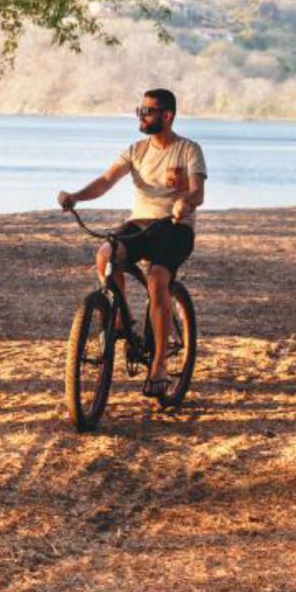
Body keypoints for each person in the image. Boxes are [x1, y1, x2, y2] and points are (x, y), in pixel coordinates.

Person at [57, 88, 206, 397]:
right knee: (106, 256)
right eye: (140, 110)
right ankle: (122, 321)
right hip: (140, 224)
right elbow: (106, 180)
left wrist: (185, 203)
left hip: (175, 228)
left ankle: (160, 366)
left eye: (148, 111)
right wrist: (76, 196)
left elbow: (198, 192)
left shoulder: (189, 150)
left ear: (167, 116)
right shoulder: (135, 150)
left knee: (156, 280)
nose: (141, 116)